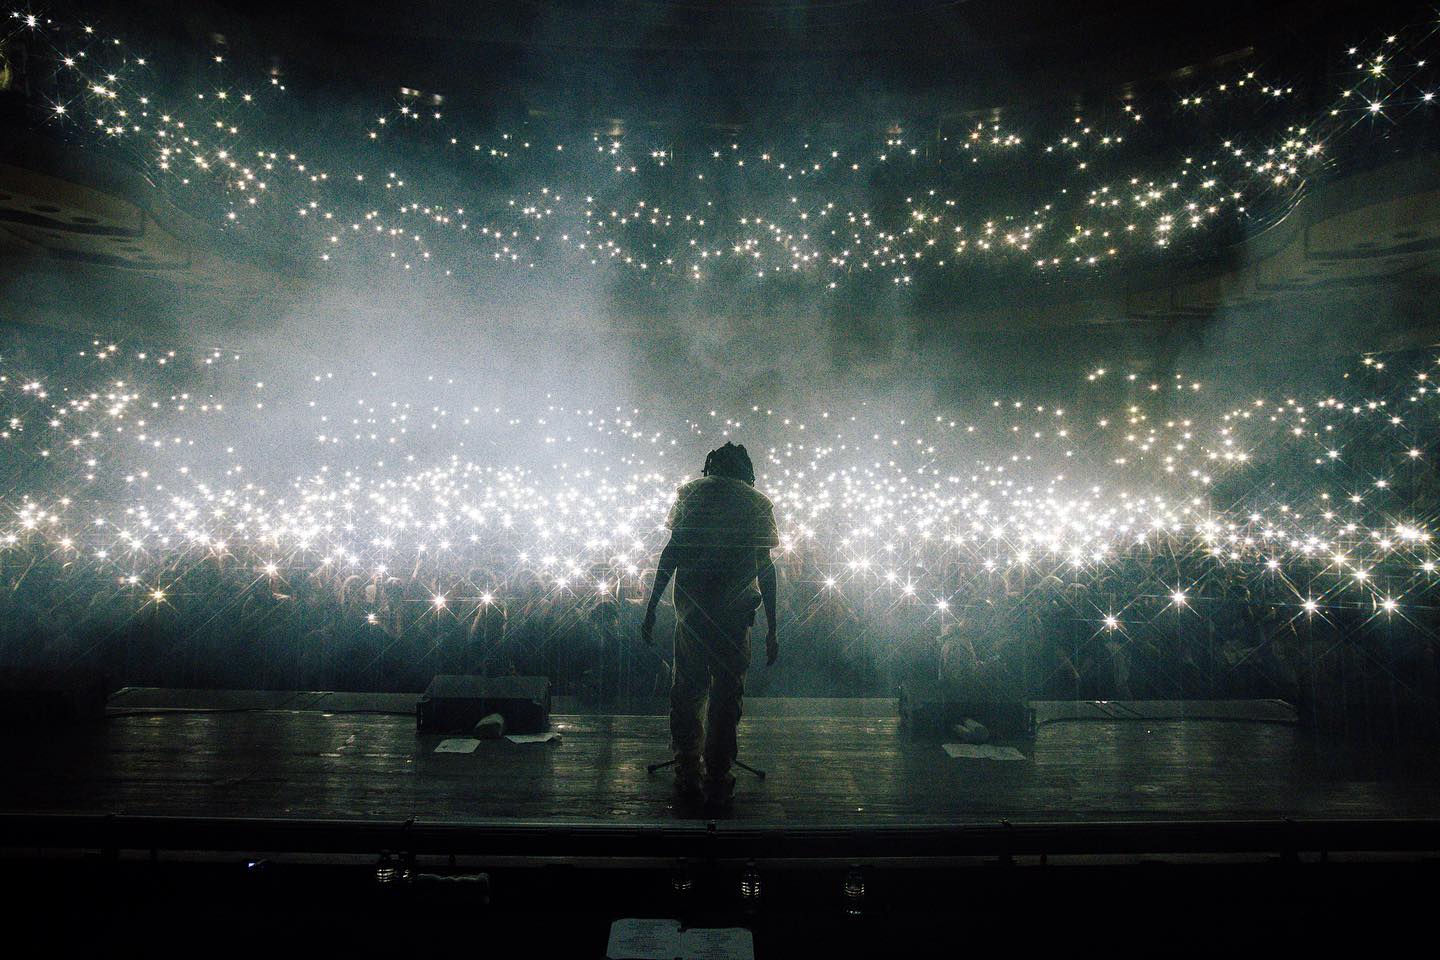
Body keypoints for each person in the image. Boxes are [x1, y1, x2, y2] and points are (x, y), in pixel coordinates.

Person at [642, 442, 779, 806]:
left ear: (711, 465)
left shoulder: (690, 494)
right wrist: (773, 626)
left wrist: (652, 605)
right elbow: (765, 567)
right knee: (726, 692)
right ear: (745, 469)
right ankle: (719, 772)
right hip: (735, 617)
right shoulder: (757, 503)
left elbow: (671, 553)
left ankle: (688, 768)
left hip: (693, 611)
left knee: (687, 690)